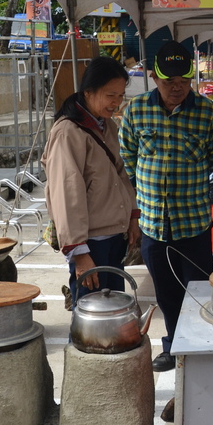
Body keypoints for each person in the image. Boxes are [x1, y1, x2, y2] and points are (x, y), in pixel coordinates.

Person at [119, 40, 213, 375]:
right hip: (154, 223)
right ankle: (174, 346)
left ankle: (202, 347)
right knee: (166, 293)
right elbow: (129, 158)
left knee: (200, 291)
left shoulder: (207, 111)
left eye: (183, 81)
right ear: (154, 77)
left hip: (193, 222)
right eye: (168, 82)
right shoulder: (136, 110)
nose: (177, 88)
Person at [43, 57, 139, 303]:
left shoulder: (107, 126)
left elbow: (121, 174)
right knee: (89, 320)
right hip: (90, 244)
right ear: (88, 92)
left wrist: (132, 216)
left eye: (120, 96)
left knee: (115, 313)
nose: (116, 103)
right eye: (110, 95)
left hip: (114, 237)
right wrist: (79, 251)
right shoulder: (68, 132)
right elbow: (66, 194)